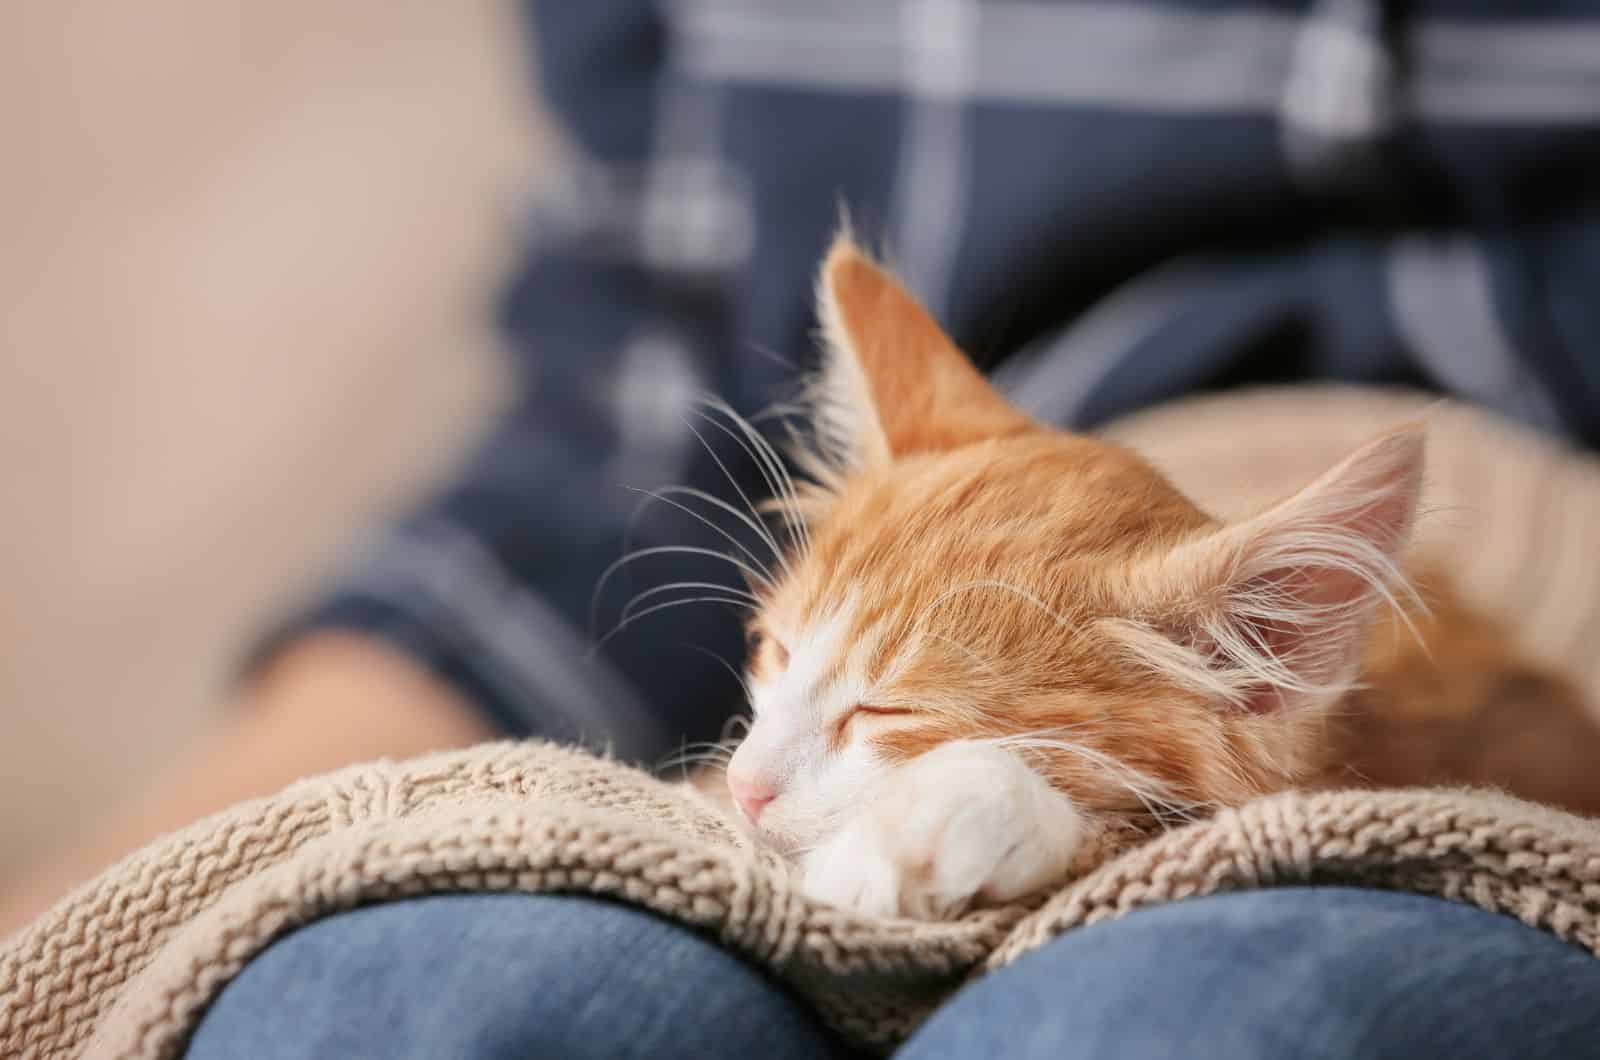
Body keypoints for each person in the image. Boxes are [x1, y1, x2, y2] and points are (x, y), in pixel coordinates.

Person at [14, 1, 1600, 1055]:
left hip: (1516, 596)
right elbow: (618, 433)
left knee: (1188, 1019)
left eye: (868, 721)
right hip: (1030, 456)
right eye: (782, 672)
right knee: (432, 1008)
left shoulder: (1235, 675)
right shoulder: (815, 661)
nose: (756, 775)